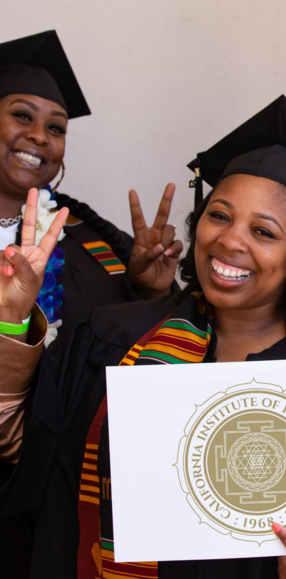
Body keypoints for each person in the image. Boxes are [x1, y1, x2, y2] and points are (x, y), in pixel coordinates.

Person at [0, 95, 286, 578]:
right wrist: (9, 319)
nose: (230, 240)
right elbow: (21, 455)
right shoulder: (112, 341)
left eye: (263, 231)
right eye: (219, 215)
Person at [0, 30, 182, 577]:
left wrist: (149, 288)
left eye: (56, 128)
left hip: (65, 481)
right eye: (22, 117)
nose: (40, 137)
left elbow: (126, 340)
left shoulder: (84, 233)